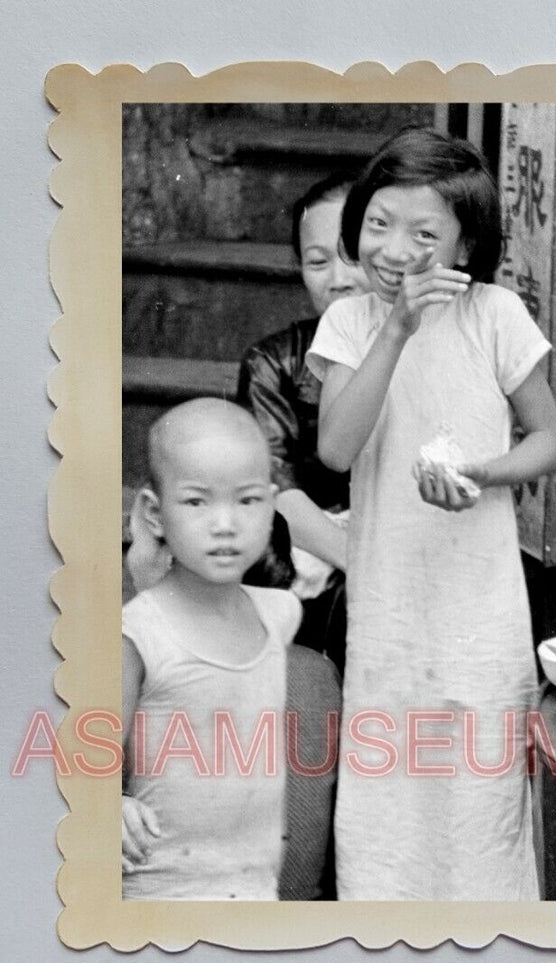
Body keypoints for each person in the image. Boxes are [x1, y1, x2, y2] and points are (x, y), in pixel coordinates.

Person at [308, 126, 556, 901]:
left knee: (481, 802)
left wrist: (486, 474)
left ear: (463, 248)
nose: (394, 249)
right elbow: (337, 449)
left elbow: (550, 442)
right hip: (390, 610)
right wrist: (396, 327)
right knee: (386, 805)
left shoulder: (495, 315)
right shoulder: (350, 322)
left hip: (480, 608)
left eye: (425, 235)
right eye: (380, 224)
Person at [121, 399, 300, 900]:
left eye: (247, 502)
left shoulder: (278, 615)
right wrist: (106, 805)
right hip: (160, 898)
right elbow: (81, 760)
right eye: (197, 503)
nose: (226, 524)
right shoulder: (139, 633)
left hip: (255, 894)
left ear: (271, 505)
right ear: (154, 514)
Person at [235, 169, 370, 673]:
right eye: (318, 262)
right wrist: (359, 561)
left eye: (353, 256)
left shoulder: (415, 345)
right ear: (300, 269)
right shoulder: (272, 362)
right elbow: (275, 486)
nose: (339, 278)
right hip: (304, 542)